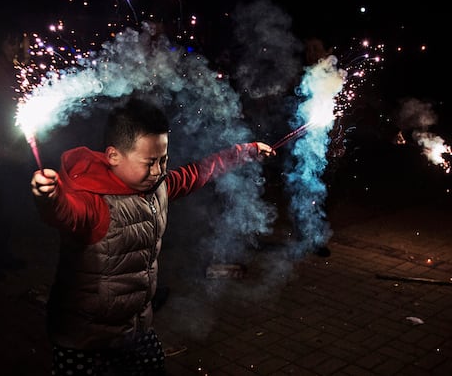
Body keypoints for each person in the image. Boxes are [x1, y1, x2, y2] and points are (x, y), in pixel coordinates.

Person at [30, 98, 275, 376]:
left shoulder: (158, 186)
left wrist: (247, 151)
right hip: (84, 339)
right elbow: (65, 212)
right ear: (113, 156)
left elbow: (199, 172)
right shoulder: (92, 202)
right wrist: (48, 197)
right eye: (149, 162)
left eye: (163, 159)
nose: (158, 170)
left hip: (136, 328)